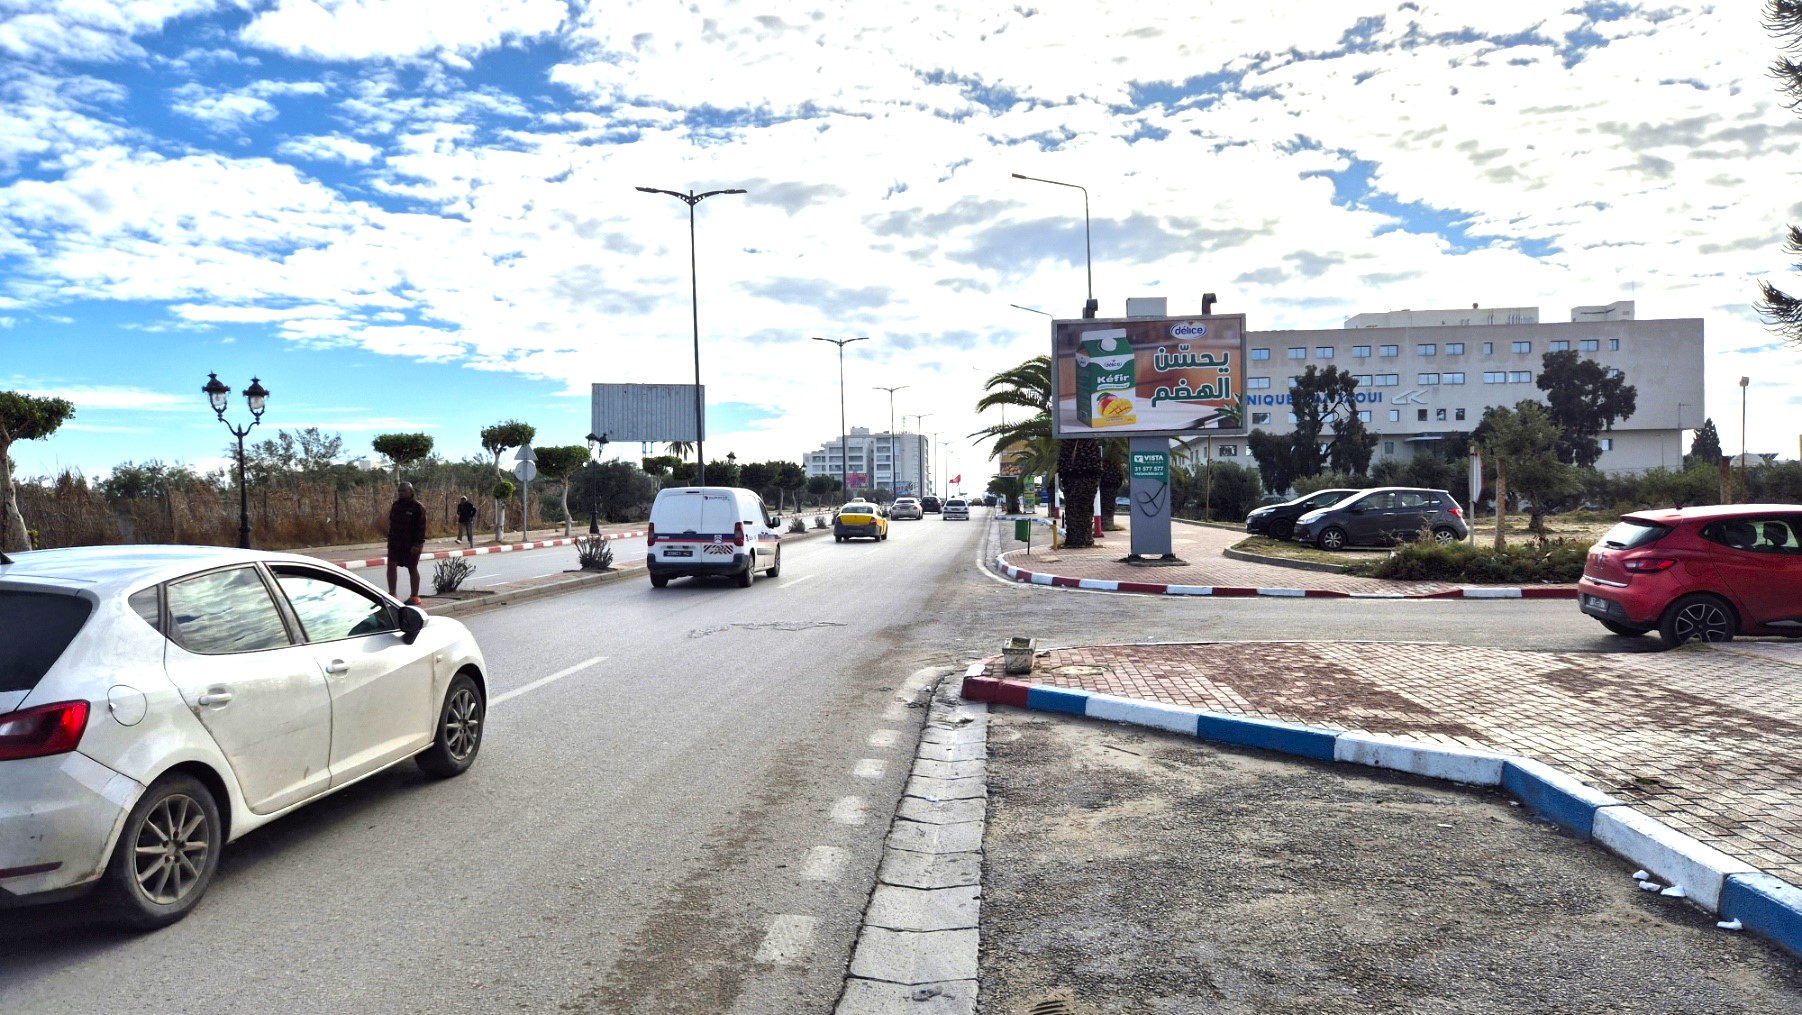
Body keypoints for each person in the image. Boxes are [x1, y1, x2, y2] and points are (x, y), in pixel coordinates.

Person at [386, 482, 428, 605]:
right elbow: (392, 525)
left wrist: (418, 545)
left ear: (411, 492)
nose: (400, 493)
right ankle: (392, 593)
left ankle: (414, 595)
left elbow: (421, 528)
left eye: (403, 491)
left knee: (412, 568)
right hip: (396, 543)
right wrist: (390, 541)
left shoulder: (417, 507)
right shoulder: (396, 506)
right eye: (399, 491)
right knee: (391, 566)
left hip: (411, 545)